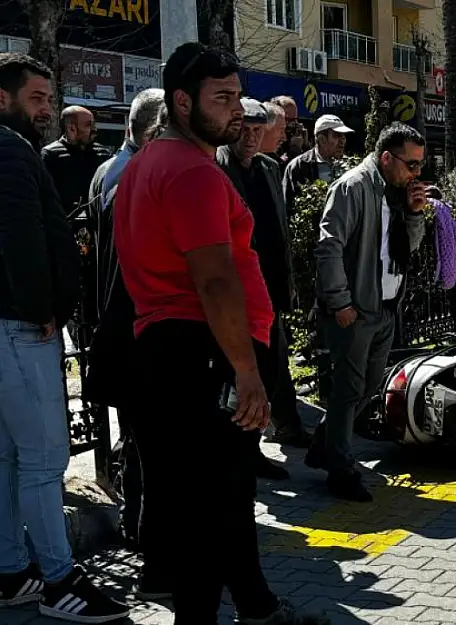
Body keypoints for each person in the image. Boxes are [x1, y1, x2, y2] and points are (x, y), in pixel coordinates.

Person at [113, 42, 327, 624]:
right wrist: (247, 371)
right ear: (183, 102)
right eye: (222, 97)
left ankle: (257, 607)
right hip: (203, 349)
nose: (237, 109)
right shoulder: (190, 173)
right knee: (210, 508)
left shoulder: (148, 164)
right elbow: (213, 279)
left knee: (224, 497)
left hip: (174, 346)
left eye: (237, 95)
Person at [0, 52, 129, 623]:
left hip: (9, 325)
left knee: (8, 459)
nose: (47, 109)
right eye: (37, 98)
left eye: (50, 99)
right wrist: (44, 309)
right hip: (21, 328)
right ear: (2, 98)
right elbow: (21, 237)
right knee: (44, 460)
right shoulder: (8, 149)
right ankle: (58, 580)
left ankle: (12, 573)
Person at [307, 122, 427, 501]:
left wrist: (414, 212)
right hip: (356, 309)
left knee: (369, 386)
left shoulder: (395, 191)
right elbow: (329, 247)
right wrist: (340, 301)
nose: (415, 173)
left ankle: (324, 447)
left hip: (384, 306)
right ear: (386, 157)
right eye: (411, 164)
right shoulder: (353, 187)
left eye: (420, 166)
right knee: (348, 390)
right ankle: (341, 470)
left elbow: (408, 246)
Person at [84, 88, 168, 596]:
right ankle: (152, 553)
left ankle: (142, 534)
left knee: (143, 448)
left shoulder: (125, 178)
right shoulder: (133, 180)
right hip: (141, 336)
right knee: (152, 451)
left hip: (126, 333)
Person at [217, 97, 312, 458]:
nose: (252, 138)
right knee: (239, 378)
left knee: (271, 371)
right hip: (237, 295)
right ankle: (241, 453)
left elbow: (280, 231)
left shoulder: (270, 169)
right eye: (246, 130)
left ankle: (254, 448)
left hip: (270, 290)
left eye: (259, 130)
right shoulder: (218, 168)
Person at [40, 105, 113, 218]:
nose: (94, 130)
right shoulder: (50, 156)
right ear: (71, 128)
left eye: (93, 124)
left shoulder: (103, 155)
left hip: (96, 227)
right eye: (88, 125)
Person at [282, 114, 354, 211]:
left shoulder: (350, 166)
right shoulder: (299, 166)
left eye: (344, 136)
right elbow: (288, 205)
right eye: (337, 135)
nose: (342, 140)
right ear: (321, 139)